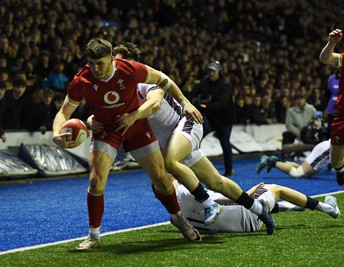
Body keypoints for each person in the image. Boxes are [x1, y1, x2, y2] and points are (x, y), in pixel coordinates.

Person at [90, 42, 275, 234]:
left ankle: (209, 204)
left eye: (123, 62)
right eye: (116, 61)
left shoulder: (147, 82)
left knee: (170, 161)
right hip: (171, 140)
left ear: (135, 65)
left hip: (185, 124)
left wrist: (136, 115)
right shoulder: (117, 92)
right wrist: (90, 121)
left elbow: (154, 104)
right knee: (216, 182)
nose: (118, 66)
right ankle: (259, 210)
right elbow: (101, 114)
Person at [52, 38, 205, 250]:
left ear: (111, 59)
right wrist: (55, 135)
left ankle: (178, 218)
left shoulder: (130, 69)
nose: (96, 69)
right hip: (106, 131)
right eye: (91, 63)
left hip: (136, 127)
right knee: (96, 181)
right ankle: (94, 236)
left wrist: (185, 102)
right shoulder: (82, 80)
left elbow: (164, 80)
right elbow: (64, 112)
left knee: (161, 178)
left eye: (101, 63)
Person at [173, 178, 340, 233]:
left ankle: (288, 207)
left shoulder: (174, 214)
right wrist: (247, 194)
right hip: (252, 216)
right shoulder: (186, 191)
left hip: (241, 228)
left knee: (261, 200)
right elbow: (227, 198)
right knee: (276, 188)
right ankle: (328, 209)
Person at [191, 60, 235, 176]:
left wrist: (204, 104)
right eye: (209, 71)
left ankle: (229, 169)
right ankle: (194, 166)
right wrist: (195, 99)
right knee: (197, 139)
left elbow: (222, 104)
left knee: (225, 144)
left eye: (213, 71)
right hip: (210, 117)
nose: (210, 73)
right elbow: (194, 94)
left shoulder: (226, 86)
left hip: (224, 119)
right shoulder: (204, 82)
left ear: (219, 72)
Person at [319, 28, 344, 185]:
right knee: (335, 161)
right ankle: (341, 170)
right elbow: (325, 58)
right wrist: (332, 43)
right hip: (342, 116)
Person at [257, 140, 330, 178]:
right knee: (298, 173)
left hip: (328, 148)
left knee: (306, 174)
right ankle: (269, 161)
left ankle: (277, 161)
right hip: (327, 149)